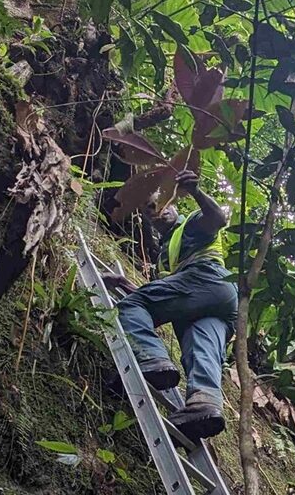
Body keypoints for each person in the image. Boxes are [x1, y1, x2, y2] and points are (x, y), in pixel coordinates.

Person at [102, 169, 237, 441]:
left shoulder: (191, 225)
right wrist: (125, 283)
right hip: (217, 303)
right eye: (148, 210)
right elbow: (163, 296)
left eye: (158, 203)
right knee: (201, 347)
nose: (156, 211)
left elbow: (218, 218)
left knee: (129, 308)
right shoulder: (164, 255)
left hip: (206, 278)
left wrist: (197, 191)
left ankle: (151, 359)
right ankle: (204, 403)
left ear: (173, 203)